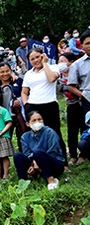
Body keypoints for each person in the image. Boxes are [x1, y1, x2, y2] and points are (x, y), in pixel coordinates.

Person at [22, 48, 67, 162]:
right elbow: (24, 91)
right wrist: (26, 104)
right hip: (33, 105)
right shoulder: (28, 74)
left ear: (43, 55)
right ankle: (39, 160)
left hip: (49, 104)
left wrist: (45, 63)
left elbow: (52, 78)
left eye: (37, 57)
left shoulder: (52, 67)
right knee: (37, 133)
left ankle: (62, 161)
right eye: (32, 59)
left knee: (55, 132)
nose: (36, 60)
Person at [13, 111, 65, 190]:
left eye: (39, 119)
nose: (37, 122)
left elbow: (53, 152)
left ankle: (51, 180)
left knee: (37, 152)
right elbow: (27, 153)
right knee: (17, 156)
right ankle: (23, 184)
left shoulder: (50, 132)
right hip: (35, 165)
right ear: (28, 124)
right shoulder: (25, 136)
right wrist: (33, 164)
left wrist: (38, 161)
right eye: (34, 120)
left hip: (54, 164)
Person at [67, 29, 90, 165]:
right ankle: (84, 153)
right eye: (87, 43)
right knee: (86, 128)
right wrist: (83, 96)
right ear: (81, 46)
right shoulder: (77, 64)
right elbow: (71, 86)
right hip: (87, 99)